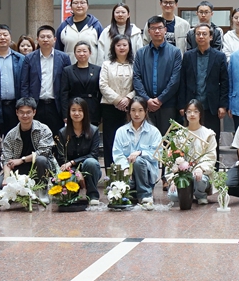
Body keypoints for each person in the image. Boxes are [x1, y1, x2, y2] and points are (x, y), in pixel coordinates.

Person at [18, 25, 71, 138]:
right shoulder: (29, 58)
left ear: (54, 39)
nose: (45, 39)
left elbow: (67, 86)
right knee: (35, 136)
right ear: (37, 39)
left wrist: (66, 110)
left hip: (56, 105)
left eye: (48, 37)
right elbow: (24, 84)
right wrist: (26, 106)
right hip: (36, 105)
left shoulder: (64, 58)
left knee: (57, 137)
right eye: (42, 37)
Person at [133, 16, 183, 134]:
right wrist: (147, 100)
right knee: (146, 138)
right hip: (145, 105)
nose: (157, 31)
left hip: (167, 104)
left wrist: (160, 99)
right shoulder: (140, 53)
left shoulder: (175, 52)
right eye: (153, 28)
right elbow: (136, 78)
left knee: (167, 139)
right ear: (148, 31)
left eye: (160, 28)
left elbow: (175, 80)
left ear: (165, 30)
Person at [111, 96, 162, 210]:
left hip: (147, 174)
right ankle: (132, 189)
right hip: (127, 174)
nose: (137, 114)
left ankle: (145, 195)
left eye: (140, 110)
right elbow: (117, 154)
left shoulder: (154, 132)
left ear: (146, 111)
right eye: (133, 110)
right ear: (129, 111)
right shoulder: (121, 132)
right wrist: (125, 168)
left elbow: (158, 155)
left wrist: (141, 153)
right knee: (124, 190)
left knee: (138, 161)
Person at [178, 23, 229, 133]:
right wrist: (182, 105)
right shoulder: (188, 56)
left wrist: (223, 106)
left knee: (211, 137)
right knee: (191, 137)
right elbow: (182, 82)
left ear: (211, 37)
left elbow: (224, 82)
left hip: (212, 106)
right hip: (192, 106)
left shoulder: (219, 57)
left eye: (204, 34)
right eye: (198, 34)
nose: (201, 36)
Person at [0, 98, 59, 187]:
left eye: (28, 112)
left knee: (41, 160)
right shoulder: (11, 135)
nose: (25, 115)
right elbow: (6, 159)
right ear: (17, 112)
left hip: (40, 168)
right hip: (19, 170)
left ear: (34, 112)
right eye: (21, 112)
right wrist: (6, 178)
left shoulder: (43, 130)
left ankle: (42, 188)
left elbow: (43, 152)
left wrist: (21, 160)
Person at [55, 98, 103, 206]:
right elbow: (62, 159)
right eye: (73, 110)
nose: (76, 113)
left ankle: (92, 195)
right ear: (69, 112)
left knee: (91, 162)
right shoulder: (62, 133)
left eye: (80, 110)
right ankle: (71, 195)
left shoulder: (94, 130)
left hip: (89, 169)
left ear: (85, 112)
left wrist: (73, 162)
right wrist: (75, 173)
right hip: (69, 170)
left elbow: (94, 155)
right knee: (70, 197)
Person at [99, 34, 136, 168]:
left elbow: (138, 85)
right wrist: (118, 100)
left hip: (130, 108)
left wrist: (128, 98)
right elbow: (103, 85)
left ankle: (127, 171)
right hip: (110, 107)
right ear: (113, 47)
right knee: (110, 139)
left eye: (124, 45)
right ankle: (111, 171)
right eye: (118, 45)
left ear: (129, 47)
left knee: (128, 140)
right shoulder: (107, 64)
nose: (121, 48)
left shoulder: (134, 65)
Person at [177, 99, 218, 204]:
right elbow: (173, 157)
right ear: (185, 114)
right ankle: (186, 193)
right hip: (183, 174)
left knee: (199, 179)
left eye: (196, 111)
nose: (192, 114)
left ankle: (201, 194)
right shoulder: (179, 134)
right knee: (173, 196)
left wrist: (200, 168)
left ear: (200, 114)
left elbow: (211, 156)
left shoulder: (208, 134)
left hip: (201, 173)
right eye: (189, 111)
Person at [60, 41, 102, 126]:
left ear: (90, 53)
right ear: (74, 54)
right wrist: (65, 114)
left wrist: (101, 113)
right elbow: (64, 93)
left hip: (92, 108)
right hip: (74, 108)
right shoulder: (67, 70)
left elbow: (101, 92)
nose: (81, 54)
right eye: (78, 51)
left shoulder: (97, 70)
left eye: (84, 51)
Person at [56, 0, 105, 65]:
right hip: (69, 68)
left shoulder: (96, 25)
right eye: (75, 3)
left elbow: (102, 50)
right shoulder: (63, 26)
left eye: (82, 3)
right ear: (71, 6)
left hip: (92, 68)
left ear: (87, 5)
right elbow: (58, 50)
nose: (79, 6)